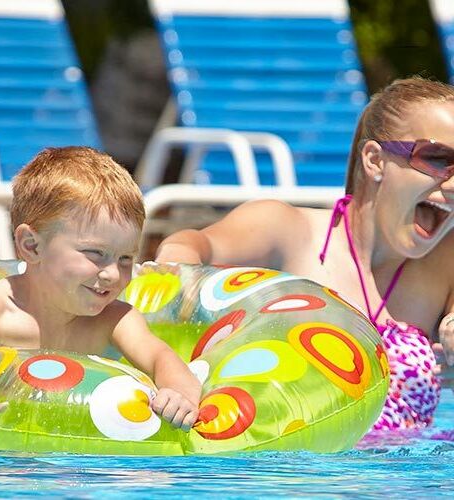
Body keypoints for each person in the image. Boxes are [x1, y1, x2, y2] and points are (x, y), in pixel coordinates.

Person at [154, 77, 454, 431]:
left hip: (403, 477)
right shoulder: (288, 231)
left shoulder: (444, 264)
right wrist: (176, 272)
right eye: (437, 159)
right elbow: (190, 245)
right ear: (375, 160)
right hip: (287, 477)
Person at [0, 146, 202, 447]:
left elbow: (162, 358)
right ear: (32, 246)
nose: (112, 274)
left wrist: (178, 393)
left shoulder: (115, 319)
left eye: (125, 258)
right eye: (95, 253)